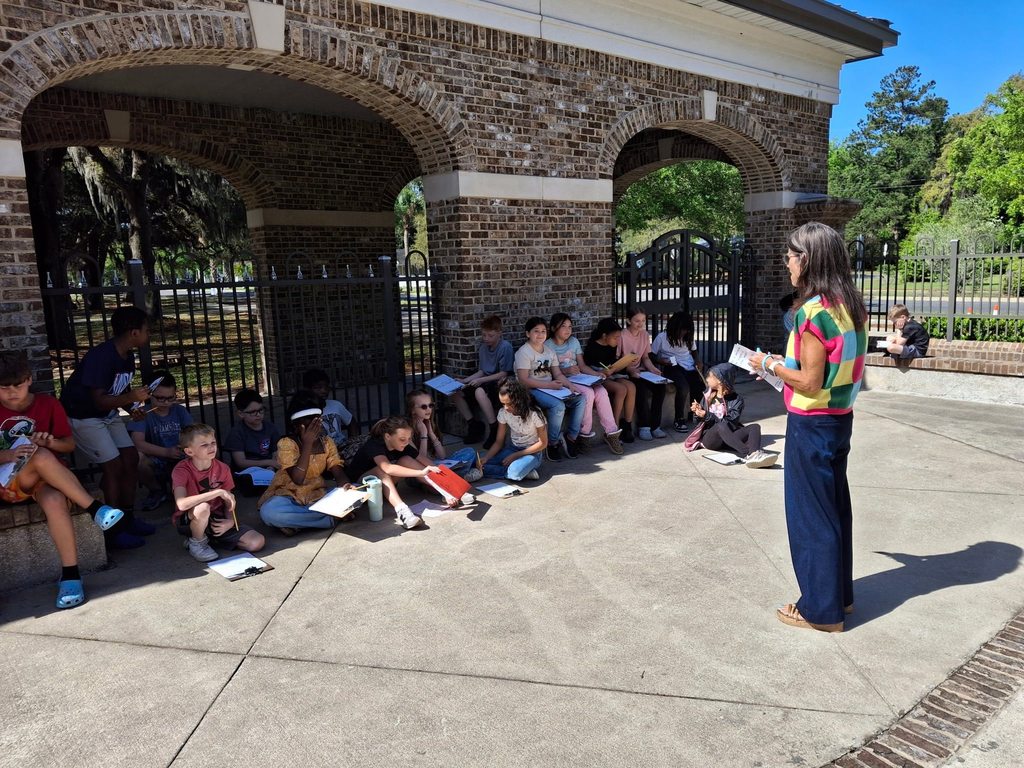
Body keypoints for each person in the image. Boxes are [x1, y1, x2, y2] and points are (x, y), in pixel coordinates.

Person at [749, 221, 868, 634]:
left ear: (808, 259)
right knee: (835, 509)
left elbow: (809, 381)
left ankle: (820, 610)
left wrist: (769, 364)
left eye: (791, 255)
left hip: (811, 421)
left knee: (810, 518)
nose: (787, 264)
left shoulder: (812, 313)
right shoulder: (849, 305)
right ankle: (841, 599)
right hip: (839, 420)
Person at [0, 351, 124, 609]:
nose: (12, 393)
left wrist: (51, 441)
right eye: (3, 388)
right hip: (8, 481)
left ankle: (70, 576)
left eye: (18, 386)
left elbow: (68, 445)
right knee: (42, 455)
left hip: (48, 480)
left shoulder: (47, 404)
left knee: (55, 499)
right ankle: (95, 509)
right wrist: (9, 454)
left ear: (29, 380)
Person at [59, 305, 155, 549]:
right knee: (113, 465)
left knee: (130, 457)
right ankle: (111, 531)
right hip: (85, 416)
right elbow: (98, 399)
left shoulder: (126, 356)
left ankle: (127, 517)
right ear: (134, 332)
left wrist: (131, 405)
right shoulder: (101, 357)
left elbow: (117, 390)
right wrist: (129, 398)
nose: (148, 334)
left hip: (107, 414)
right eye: (146, 330)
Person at [257, 392, 354, 534]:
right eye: (312, 426)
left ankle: (298, 523)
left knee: (359, 492)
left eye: (319, 423)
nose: (318, 429)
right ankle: (331, 518)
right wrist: (307, 443)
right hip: (288, 497)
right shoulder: (286, 444)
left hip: (317, 495)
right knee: (269, 512)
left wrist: (346, 486)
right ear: (298, 427)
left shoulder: (326, 442)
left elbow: (337, 469)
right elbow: (298, 479)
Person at [172, 423, 264, 562]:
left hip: (216, 518)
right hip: (190, 518)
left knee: (256, 542)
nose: (211, 447)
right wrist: (217, 492)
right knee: (203, 508)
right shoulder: (181, 470)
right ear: (189, 452)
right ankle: (197, 542)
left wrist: (230, 521)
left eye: (213, 442)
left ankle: (210, 538)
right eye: (204, 445)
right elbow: (181, 504)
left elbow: (229, 500)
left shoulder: (223, 468)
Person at [343, 415, 443, 530]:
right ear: (388, 436)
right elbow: (388, 468)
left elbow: (428, 463)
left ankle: (447, 490)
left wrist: (441, 473)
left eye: (409, 439)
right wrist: (421, 472)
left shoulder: (403, 445)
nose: (406, 442)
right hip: (360, 489)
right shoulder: (374, 445)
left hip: (381, 488)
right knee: (381, 469)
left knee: (406, 460)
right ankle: (402, 511)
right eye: (402, 439)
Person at [545, 312, 623, 455]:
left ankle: (612, 433)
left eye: (570, 326)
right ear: (554, 328)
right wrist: (566, 369)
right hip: (562, 380)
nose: (568, 330)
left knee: (601, 391)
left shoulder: (573, 342)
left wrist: (596, 374)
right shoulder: (547, 345)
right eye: (564, 326)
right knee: (588, 393)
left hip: (579, 377)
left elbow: (582, 366)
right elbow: (548, 372)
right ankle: (584, 435)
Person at [514, 317, 587, 462]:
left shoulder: (549, 351)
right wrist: (550, 385)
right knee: (558, 405)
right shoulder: (523, 352)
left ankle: (571, 437)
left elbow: (558, 373)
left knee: (581, 398)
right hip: (531, 390)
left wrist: (570, 386)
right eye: (536, 331)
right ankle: (552, 443)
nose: (540, 334)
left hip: (550, 389)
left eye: (543, 331)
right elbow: (524, 380)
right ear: (528, 333)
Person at [687, 363, 776, 468]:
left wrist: (707, 415)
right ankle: (749, 454)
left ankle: (755, 453)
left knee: (755, 427)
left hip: (729, 437)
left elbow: (730, 423)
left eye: (710, 376)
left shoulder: (736, 400)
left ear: (720, 380)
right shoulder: (707, 396)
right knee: (721, 426)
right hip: (711, 439)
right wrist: (698, 413)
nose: (707, 378)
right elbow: (698, 422)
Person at [128, 372, 192, 511]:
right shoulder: (142, 414)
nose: (166, 403)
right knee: (136, 457)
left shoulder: (179, 411)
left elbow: (193, 433)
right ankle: (157, 491)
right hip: (156, 459)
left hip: (180, 457)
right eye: (160, 398)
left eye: (170, 398)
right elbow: (137, 442)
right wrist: (166, 452)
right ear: (149, 395)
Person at [449, 315, 515, 448]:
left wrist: (480, 380)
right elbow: (482, 370)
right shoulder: (483, 348)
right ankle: (473, 424)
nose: (486, 339)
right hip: (484, 380)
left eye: (490, 336)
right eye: (484, 335)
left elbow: (504, 373)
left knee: (479, 391)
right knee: (454, 392)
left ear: (499, 333)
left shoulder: (505, 347)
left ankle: (493, 427)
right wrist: (464, 381)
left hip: (499, 382)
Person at [405, 389, 482, 482]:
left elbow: (442, 456)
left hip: (435, 464)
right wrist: (424, 435)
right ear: (412, 410)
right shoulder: (406, 430)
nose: (428, 409)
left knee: (469, 452)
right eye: (423, 406)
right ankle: (461, 477)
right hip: (420, 472)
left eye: (431, 405)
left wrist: (431, 434)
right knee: (477, 462)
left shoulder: (429, 423)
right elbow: (421, 459)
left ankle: (457, 476)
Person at [479, 379, 547, 481]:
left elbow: (543, 443)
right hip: (512, 449)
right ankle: (523, 472)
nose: (506, 408)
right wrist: (487, 458)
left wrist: (516, 455)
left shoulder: (534, 414)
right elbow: (499, 442)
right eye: (503, 404)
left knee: (515, 473)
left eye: (509, 404)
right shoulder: (503, 413)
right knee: (482, 463)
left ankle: (516, 472)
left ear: (518, 400)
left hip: (532, 453)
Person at [582, 318, 637, 443]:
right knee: (621, 389)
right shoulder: (592, 348)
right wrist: (603, 372)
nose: (617, 341)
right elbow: (590, 368)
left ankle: (627, 425)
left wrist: (627, 362)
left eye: (619, 338)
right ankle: (614, 428)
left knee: (631, 387)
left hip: (612, 375)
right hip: (599, 378)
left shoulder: (611, 346)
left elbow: (613, 364)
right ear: (604, 335)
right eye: (615, 338)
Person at [619, 308, 667, 440]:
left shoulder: (645, 334)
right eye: (637, 321)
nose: (640, 324)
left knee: (660, 386)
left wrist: (653, 369)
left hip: (641, 371)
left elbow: (645, 357)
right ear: (628, 320)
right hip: (626, 372)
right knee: (641, 389)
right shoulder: (622, 335)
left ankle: (655, 426)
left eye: (643, 321)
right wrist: (630, 369)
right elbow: (617, 359)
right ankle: (644, 426)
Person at [652, 311, 704, 433]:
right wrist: (661, 361)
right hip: (672, 366)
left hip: (689, 366)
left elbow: (694, 352)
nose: (683, 333)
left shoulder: (688, 337)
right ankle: (679, 418)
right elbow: (651, 355)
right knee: (683, 387)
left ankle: (696, 413)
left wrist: (698, 361)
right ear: (673, 327)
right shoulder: (662, 337)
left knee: (698, 386)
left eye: (686, 330)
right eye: (681, 330)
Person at [224, 389, 281, 471]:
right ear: (241, 414)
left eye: (261, 410)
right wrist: (269, 462)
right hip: (247, 473)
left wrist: (272, 466)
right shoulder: (237, 433)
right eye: (252, 412)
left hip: (270, 469)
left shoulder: (270, 427)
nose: (258, 415)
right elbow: (240, 462)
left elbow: (276, 452)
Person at [302, 368, 354, 450]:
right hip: (320, 452)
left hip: (341, 447)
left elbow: (352, 423)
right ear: (308, 390)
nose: (324, 391)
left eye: (326, 387)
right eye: (318, 388)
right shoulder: (304, 411)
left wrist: (351, 444)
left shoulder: (336, 405)